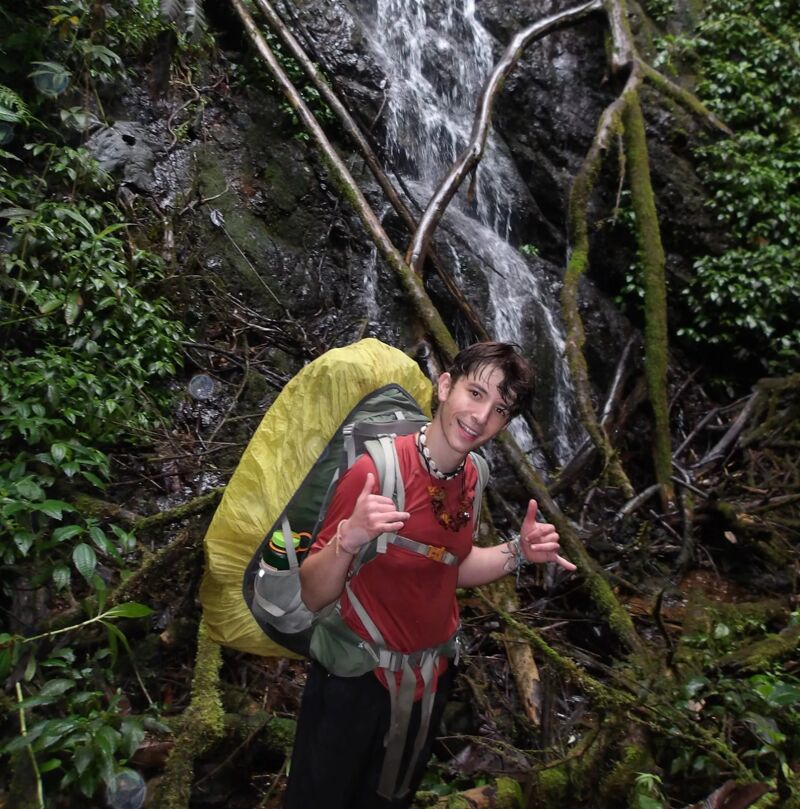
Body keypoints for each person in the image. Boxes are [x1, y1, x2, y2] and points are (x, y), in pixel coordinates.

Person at [283, 342, 576, 809]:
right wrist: (349, 538)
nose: (481, 417)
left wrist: (519, 552)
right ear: (444, 386)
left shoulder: (474, 475)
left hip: (428, 679)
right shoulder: (374, 470)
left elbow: (448, 567)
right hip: (356, 681)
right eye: (475, 393)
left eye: (499, 409)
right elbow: (314, 593)